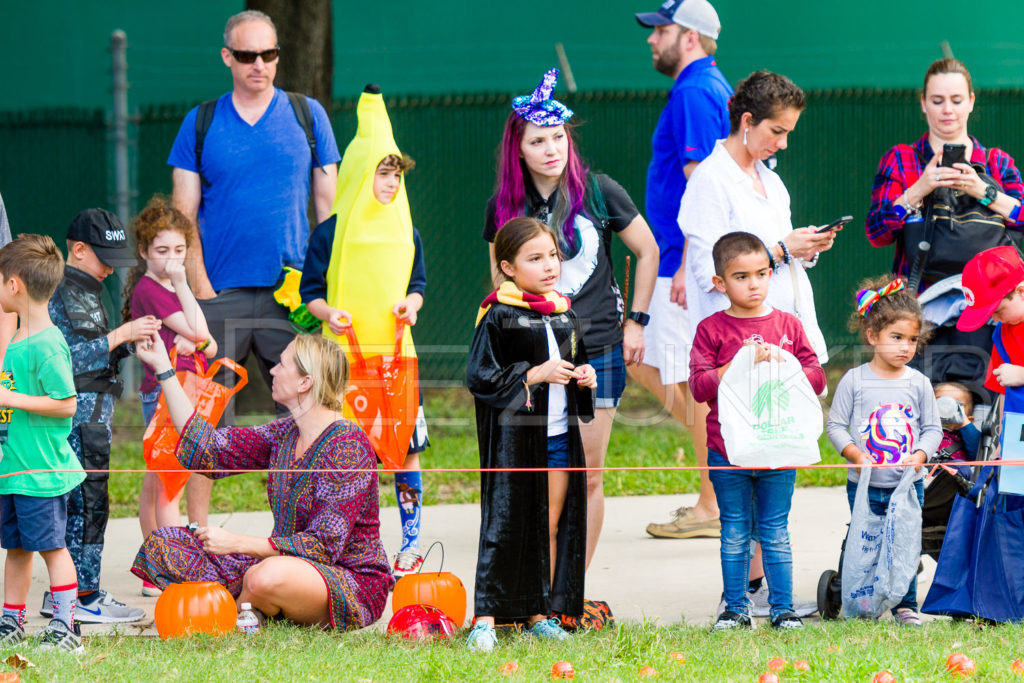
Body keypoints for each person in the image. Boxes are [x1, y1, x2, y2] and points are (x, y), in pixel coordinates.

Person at [484, 69, 658, 568]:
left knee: (588, 473)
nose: (551, 149)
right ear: (519, 148)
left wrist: (637, 322)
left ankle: (572, 589)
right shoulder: (505, 207)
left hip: (598, 352)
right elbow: (500, 285)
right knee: (537, 473)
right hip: (533, 361)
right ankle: (537, 584)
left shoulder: (600, 191)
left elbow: (647, 251)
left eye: (557, 137)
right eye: (537, 140)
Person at [677, 69, 832, 618]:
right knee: (745, 456)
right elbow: (706, 272)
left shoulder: (771, 178)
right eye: (776, 131)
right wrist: (779, 250)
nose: (782, 143)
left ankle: (769, 590)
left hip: (786, 333)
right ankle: (738, 595)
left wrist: (801, 250)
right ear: (746, 122)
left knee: (777, 447)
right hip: (739, 350)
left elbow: (775, 259)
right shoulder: (710, 182)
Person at [132, 332, 393, 630]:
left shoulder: (349, 446)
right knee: (164, 544)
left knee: (264, 577)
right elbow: (206, 449)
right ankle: (253, 605)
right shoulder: (284, 434)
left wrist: (237, 543)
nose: (272, 370)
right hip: (279, 564)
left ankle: (233, 613)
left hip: (344, 578)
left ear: (305, 382)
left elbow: (323, 546)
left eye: (282, 365)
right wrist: (165, 370)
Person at [168, 10, 341, 416]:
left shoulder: (309, 115)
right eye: (247, 56)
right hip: (218, 294)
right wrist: (202, 288)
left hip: (292, 292)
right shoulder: (200, 122)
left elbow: (329, 211)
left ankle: (295, 484)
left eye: (268, 53)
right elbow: (182, 217)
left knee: (306, 413)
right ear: (227, 57)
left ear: (278, 55)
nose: (259, 64)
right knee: (200, 421)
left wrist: (321, 285)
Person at [301, 86, 430, 577]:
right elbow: (310, 291)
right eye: (382, 171)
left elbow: (418, 284)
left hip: (398, 360)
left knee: (406, 449)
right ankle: (349, 543)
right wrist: (328, 312)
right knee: (346, 454)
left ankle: (412, 540)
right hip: (341, 364)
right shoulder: (328, 234)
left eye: (396, 173)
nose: (391, 182)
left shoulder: (408, 230)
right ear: (358, 174)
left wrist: (410, 306)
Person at [465, 217, 596, 652]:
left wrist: (585, 377)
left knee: (550, 525)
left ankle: (540, 613)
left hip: (558, 436)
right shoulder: (499, 314)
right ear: (508, 267)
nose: (549, 266)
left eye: (553, 256)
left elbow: (575, 362)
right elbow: (481, 377)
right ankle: (485, 617)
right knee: (505, 524)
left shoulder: (565, 313)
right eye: (534, 258)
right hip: (515, 441)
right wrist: (533, 374)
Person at [689, 232, 826, 631]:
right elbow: (699, 387)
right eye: (741, 276)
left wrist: (784, 362)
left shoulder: (788, 325)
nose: (753, 284)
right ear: (720, 283)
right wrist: (735, 365)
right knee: (734, 531)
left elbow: (816, 378)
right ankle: (735, 609)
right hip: (727, 450)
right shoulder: (710, 329)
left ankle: (783, 610)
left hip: (778, 447)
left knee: (775, 531)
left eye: (762, 274)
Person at [634, 0, 731, 540]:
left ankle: (712, 502)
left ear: (689, 37)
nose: (652, 40)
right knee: (655, 365)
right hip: (684, 258)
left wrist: (686, 263)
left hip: (683, 262)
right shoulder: (710, 86)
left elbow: (701, 181)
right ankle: (717, 473)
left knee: (687, 383)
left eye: (661, 30)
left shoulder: (694, 90)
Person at [46, 209, 160, 625]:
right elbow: (66, 362)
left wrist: (130, 345)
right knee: (85, 506)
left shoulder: (91, 289)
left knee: (90, 505)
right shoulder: (58, 293)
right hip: (75, 419)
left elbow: (98, 351)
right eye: (105, 257)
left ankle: (74, 592)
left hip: (97, 414)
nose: (112, 268)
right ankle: (84, 597)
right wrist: (122, 335)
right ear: (78, 250)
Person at [826, 276, 942, 627]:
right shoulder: (855, 380)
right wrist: (855, 455)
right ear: (873, 336)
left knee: (904, 543)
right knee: (867, 541)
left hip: (907, 485)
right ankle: (863, 602)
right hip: (865, 484)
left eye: (912, 339)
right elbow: (834, 426)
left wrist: (920, 455)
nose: (906, 347)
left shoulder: (918, 383)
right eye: (896, 338)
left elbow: (932, 429)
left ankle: (905, 605)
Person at [123, 197, 219, 596]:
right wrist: (183, 284)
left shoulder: (167, 289)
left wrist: (198, 337)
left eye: (180, 250)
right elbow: (200, 330)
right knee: (168, 485)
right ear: (144, 251)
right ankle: (170, 566)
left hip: (182, 391)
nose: (173, 260)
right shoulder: (153, 289)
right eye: (163, 251)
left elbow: (209, 343)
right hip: (163, 396)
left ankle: (154, 568)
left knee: (156, 484)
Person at [0, 235, 86, 652]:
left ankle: (66, 626)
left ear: (13, 285)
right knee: (16, 548)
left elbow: (67, 404)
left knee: (52, 548)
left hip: (41, 473)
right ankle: (11, 621)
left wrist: (11, 398)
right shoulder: (17, 339)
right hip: (14, 471)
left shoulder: (48, 345)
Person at [866, 58, 1024, 283]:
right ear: (923, 103)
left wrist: (983, 191)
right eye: (937, 101)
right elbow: (876, 233)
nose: (947, 110)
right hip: (922, 305)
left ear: (971, 102)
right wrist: (918, 190)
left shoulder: (997, 162)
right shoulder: (902, 159)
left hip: (992, 305)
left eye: (957, 100)